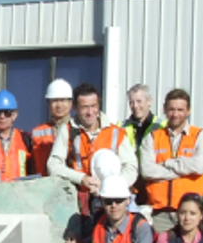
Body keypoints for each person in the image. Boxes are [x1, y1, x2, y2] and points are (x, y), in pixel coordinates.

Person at [47, 83, 137, 215]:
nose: (90, 112)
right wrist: (82, 179)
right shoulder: (66, 130)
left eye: (93, 106)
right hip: (78, 203)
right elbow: (53, 165)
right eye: (84, 107)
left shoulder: (116, 132)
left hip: (111, 203)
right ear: (75, 107)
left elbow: (131, 167)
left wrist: (111, 186)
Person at [139, 88, 203, 233]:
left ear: (188, 111)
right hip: (160, 213)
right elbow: (147, 170)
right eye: (171, 109)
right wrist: (185, 170)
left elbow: (199, 166)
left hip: (191, 211)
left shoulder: (200, 135)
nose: (175, 114)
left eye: (180, 110)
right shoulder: (152, 137)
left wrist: (168, 164)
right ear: (165, 109)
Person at [0, 90, 35, 182]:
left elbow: (33, 172)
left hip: (19, 189)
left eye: (7, 113)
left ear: (14, 116)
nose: (2, 116)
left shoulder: (26, 140)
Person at [31, 78, 73, 176]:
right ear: (48, 104)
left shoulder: (78, 129)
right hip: (45, 182)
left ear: (70, 103)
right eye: (54, 101)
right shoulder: (37, 132)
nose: (59, 105)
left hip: (71, 181)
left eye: (63, 100)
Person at [121, 84, 164, 154]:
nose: (135, 106)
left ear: (149, 101)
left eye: (139, 101)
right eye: (131, 102)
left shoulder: (162, 126)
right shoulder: (121, 127)